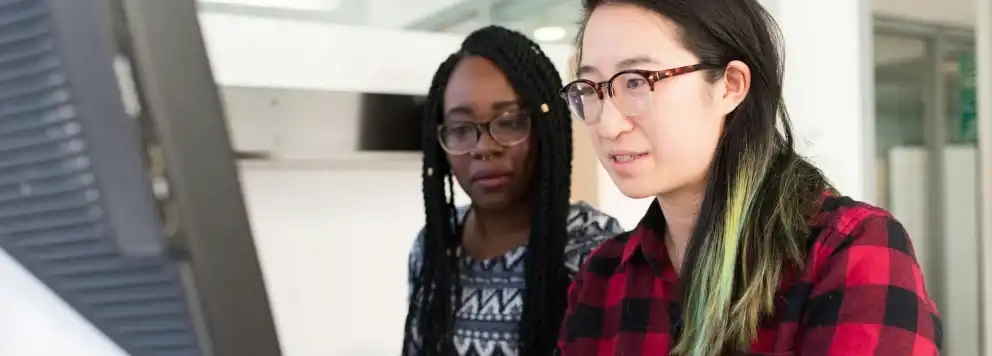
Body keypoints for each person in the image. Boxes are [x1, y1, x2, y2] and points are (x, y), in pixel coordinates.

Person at [556, 1, 942, 355]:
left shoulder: (848, 250)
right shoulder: (603, 276)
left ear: (731, 85)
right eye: (590, 89)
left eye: (636, 82)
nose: (607, 125)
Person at [403, 25, 623, 356]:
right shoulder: (433, 246)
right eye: (461, 129)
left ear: (543, 131)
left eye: (508, 122)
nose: (484, 148)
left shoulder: (595, 249)